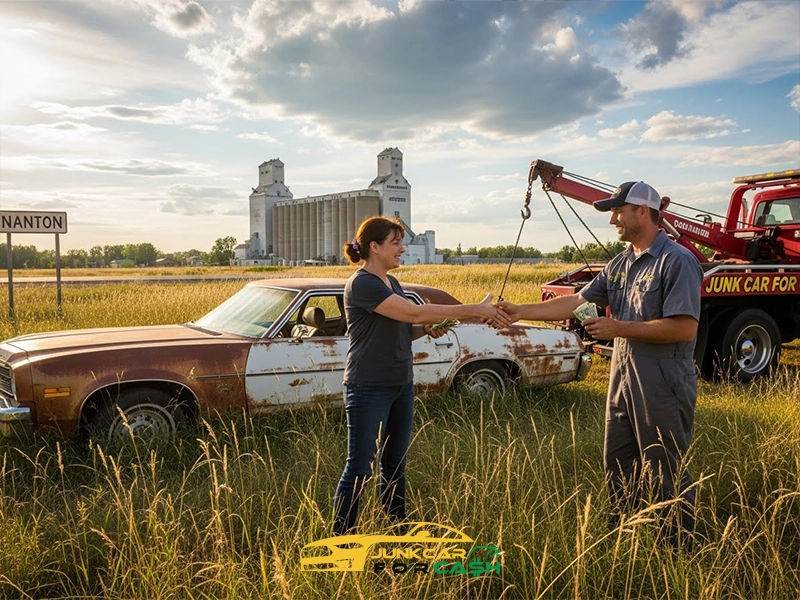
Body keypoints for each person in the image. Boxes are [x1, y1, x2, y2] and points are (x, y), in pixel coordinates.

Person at [497, 181, 703, 545]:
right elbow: (578, 300)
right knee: (619, 461)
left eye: (618, 211)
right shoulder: (620, 263)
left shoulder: (677, 261)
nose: (613, 220)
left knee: (663, 466)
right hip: (623, 375)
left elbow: (684, 328)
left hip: (663, 380)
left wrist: (618, 327)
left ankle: (676, 549)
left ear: (642, 211)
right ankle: (627, 539)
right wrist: (520, 311)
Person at [333, 216, 511, 535]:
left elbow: (405, 325)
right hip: (368, 386)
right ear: (374, 247)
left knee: (395, 467)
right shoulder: (362, 283)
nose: (403, 249)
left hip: (401, 385)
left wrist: (426, 329)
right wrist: (472, 309)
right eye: (396, 243)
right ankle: (341, 538)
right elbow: (412, 311)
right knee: (360, 469)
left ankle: (397, 529)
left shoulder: (392, 283)